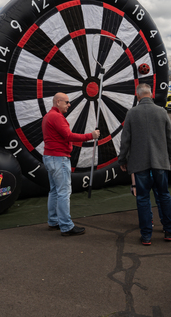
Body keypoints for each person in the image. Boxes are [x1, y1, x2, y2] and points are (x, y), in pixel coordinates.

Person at [118, 83, 171, 246]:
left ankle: (146, 235)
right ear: (151, 95)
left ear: (137, 96)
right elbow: (170, 139)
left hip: (139, 164)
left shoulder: (132, 113)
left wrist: (122, 160)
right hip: (160, 163)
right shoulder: (162, 112)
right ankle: (169, 231)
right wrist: (169, 159)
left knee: (143, 199)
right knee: (164, 195)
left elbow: (125, 140)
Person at [42, 92, 99, 236]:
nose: (69, 104)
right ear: (58, 102)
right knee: (63, 192)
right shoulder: (56, 117)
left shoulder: (49, 116)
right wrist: (90, 136)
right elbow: (69, 136)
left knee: (54, 191)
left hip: (50, 157)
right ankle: (66, 226)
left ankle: (53, 221)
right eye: (67, 102)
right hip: (59, 159)